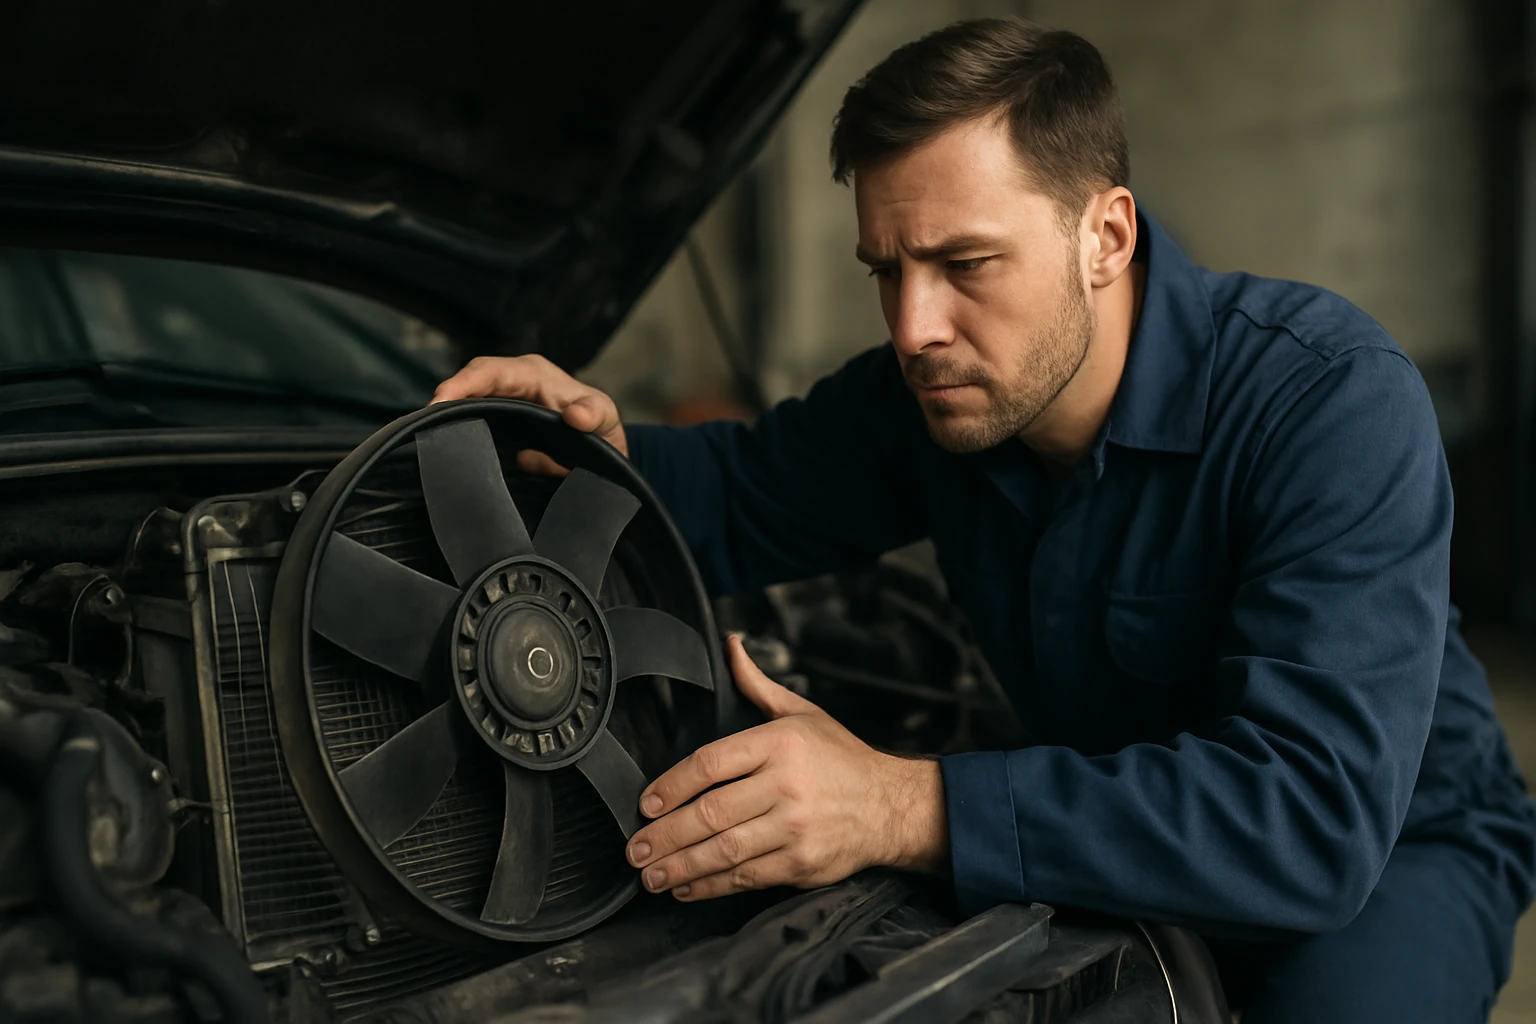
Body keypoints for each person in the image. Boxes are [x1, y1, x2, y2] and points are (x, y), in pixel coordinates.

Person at [432, 18, 1536, 1022]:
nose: (915, 328)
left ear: (1104, 236)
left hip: (1387, 856)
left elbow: (1308, 818)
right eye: (887, 270)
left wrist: (900, 804)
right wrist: (587, 443)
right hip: (1091, 827)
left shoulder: (1328, 401)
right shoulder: (927, 398)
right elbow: (734, 492)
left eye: (965, 265)